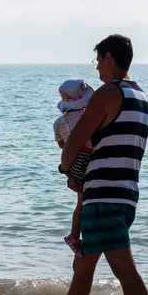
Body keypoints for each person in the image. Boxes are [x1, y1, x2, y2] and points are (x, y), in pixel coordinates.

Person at [20, 34, 148, 295]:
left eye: (98, 59)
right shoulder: (140, 95)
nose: (97, 66)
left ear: (110, 58)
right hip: (125, 190)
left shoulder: (109, 93)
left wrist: (65, 166)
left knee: (126, 274)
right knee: (82, 269)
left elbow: (75, 141)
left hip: (104, 193)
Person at [53, 78, 95, 257]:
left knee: (80, 202)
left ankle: (74, 235)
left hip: (73, 164)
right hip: (87, 160)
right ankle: (76, 236)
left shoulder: (59, 122)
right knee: (83, 201)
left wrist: (69, 170)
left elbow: (63, 146)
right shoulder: (90, 116)